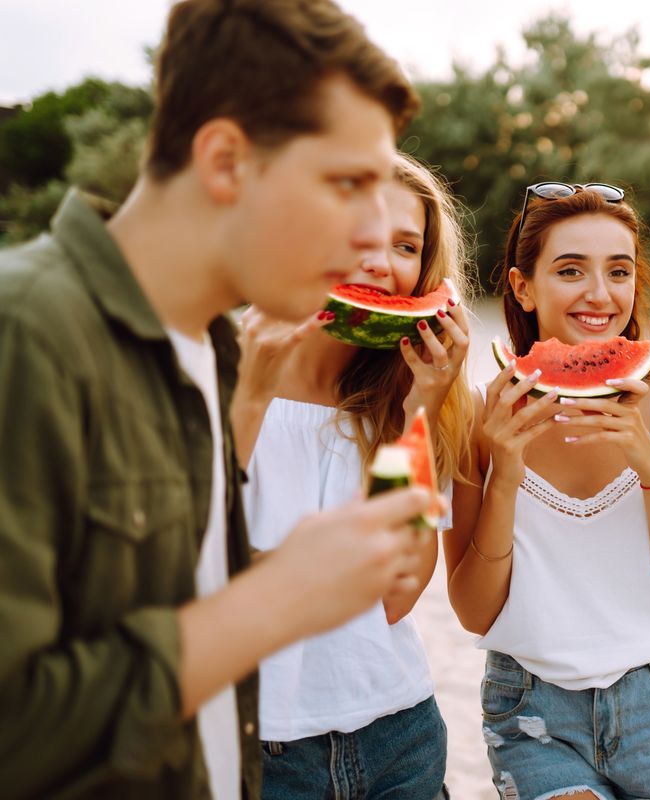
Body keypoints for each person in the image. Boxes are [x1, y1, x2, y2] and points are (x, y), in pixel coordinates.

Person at [0, 2, 430, 798]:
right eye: (348, 183)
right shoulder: (26, 331)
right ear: (227, 160)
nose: (379, 239)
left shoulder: (211, 351)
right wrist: (277, 600)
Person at [445, 183, 650, 800]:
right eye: (570, 270)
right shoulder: (480, 419)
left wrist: (647, 461)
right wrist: (505, 471)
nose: (600, 294)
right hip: (530, 713)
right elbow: (475, 611)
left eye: (619, 271)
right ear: (522, 286)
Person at [232, 152, 472, 800]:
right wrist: (249, 394)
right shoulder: (212, 361)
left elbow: (396, 593)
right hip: (258, 744)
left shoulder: (401, 400)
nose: (379, 262)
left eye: (405, 246)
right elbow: (187, 559)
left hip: (400, 734)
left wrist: (421, 407)